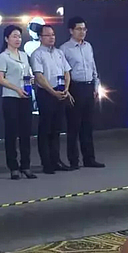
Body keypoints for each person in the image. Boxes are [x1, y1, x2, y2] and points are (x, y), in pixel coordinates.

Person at [60, 17, 105, 169]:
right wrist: (67, 90)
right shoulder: (64, 49)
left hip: (88, 87)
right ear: (71, 30)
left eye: (84, 29)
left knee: (87, 126)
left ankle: (89, 159)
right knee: (73, 126)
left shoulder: (88, 46)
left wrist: (96, 85)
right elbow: (63, 72)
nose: (82, 32)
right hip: (75, 88)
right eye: (79, 29)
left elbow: (93, 67)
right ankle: (73, 160)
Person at [30, 24, 74, 174]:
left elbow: (67, 72)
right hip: (46, 94)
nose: (51, 37)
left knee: (56, 129)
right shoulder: (37, 54)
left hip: (60, 93)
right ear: (40, 37)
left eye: (53, 35)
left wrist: (66, 89)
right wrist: (53, 92)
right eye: (48, 35)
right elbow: (39, 76)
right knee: (45, 129)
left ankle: (56, 160)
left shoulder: (59, 53)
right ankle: (47, 163)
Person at [0, 25, 37, 180]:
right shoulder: (3, 56)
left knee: (25, 133)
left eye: (19, 36)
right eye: (14, 36)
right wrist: (16, 89)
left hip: (25, 97)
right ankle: (13, 167)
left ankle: (26, 165)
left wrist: (31, 79)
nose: (17, 39)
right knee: (11, 133)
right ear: (6, 39)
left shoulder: (24, 55)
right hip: (10, 98)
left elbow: (27, 73)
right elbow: (0, 79)